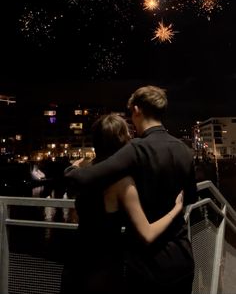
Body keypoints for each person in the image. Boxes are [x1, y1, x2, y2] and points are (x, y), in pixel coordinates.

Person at [65, 85, 197, 294]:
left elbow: (83, 178)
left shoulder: (135, 149)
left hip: (147, 263)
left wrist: (73, 168)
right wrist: (175, 208)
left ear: (136, 110)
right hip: (182, 255)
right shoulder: (186, 151)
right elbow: (189, 197)